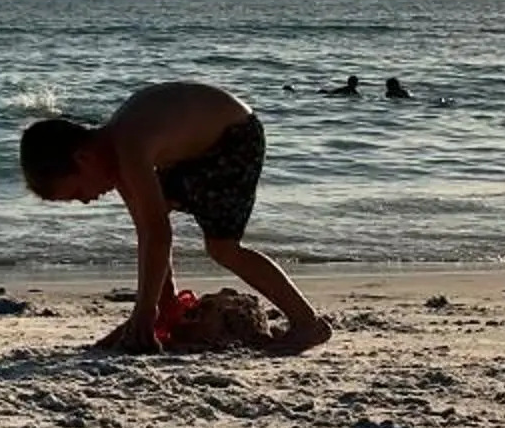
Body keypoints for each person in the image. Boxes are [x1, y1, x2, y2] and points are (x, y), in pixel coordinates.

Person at [19, 83, 332, 356]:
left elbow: (159, 234)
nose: (86, 201)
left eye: (77, 192)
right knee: (155, 214)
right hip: (200, 149)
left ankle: (307, 322)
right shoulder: (118, 159)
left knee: (223, 248)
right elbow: (147, 231)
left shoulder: (129, 148)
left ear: (83, 159)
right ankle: (166, 309)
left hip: (236, 138)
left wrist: (143, 311)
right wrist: (152, 309)